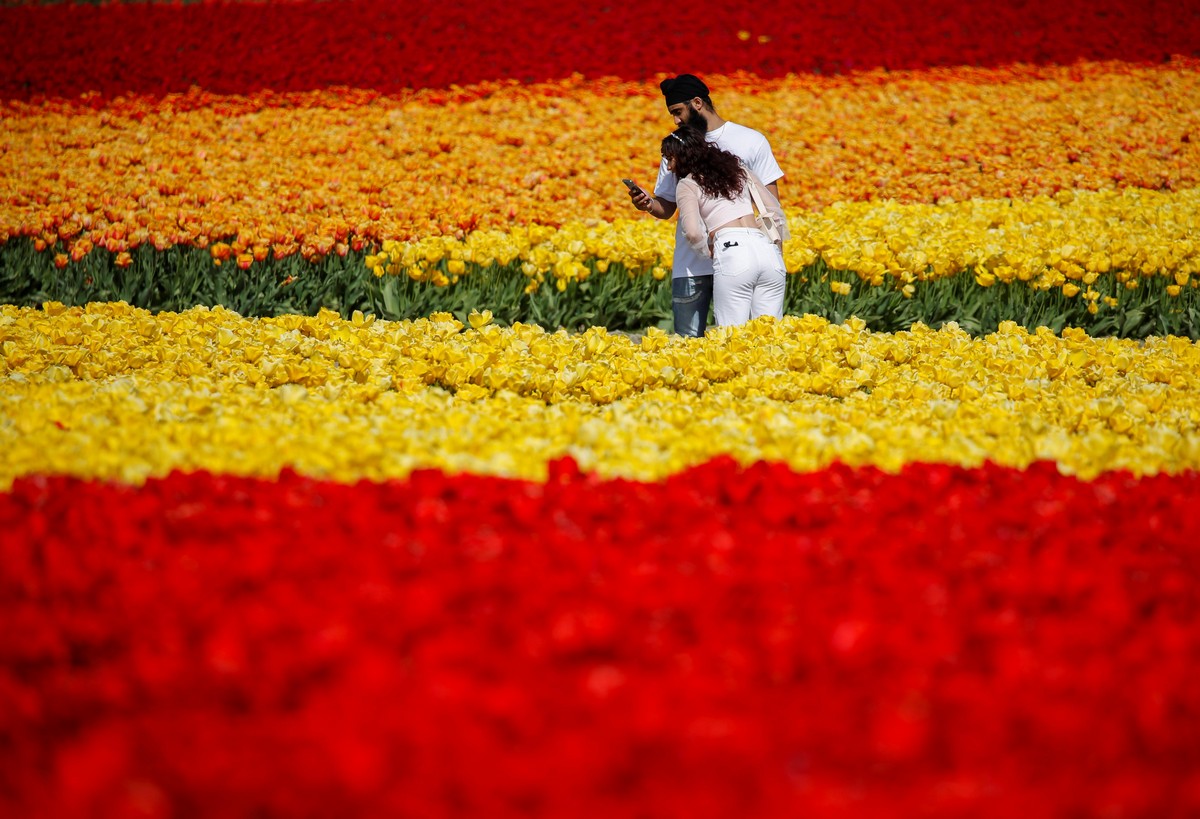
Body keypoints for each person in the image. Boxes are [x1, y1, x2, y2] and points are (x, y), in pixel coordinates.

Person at [628, 73, 785, 336]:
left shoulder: (750, 140)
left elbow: (770, 204)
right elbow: (666, 208)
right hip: (697, 263)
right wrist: (647, 205)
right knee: (753, 339)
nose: (676, 121)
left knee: (734, 340)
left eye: (678, 112)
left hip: (730, 253)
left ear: (697, 103)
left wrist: (770, 249)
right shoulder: (677, 145)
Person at [660, 127, 788, 328]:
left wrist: (708, 250)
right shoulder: (740, 170)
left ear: (682, 156)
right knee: (770, 336)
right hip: (768, 253)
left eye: (670, 158)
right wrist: (777, 247)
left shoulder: (688, 185)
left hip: (732, 250)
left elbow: (692, 231)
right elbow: (774, 209)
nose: (668, 167)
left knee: (733, 339)